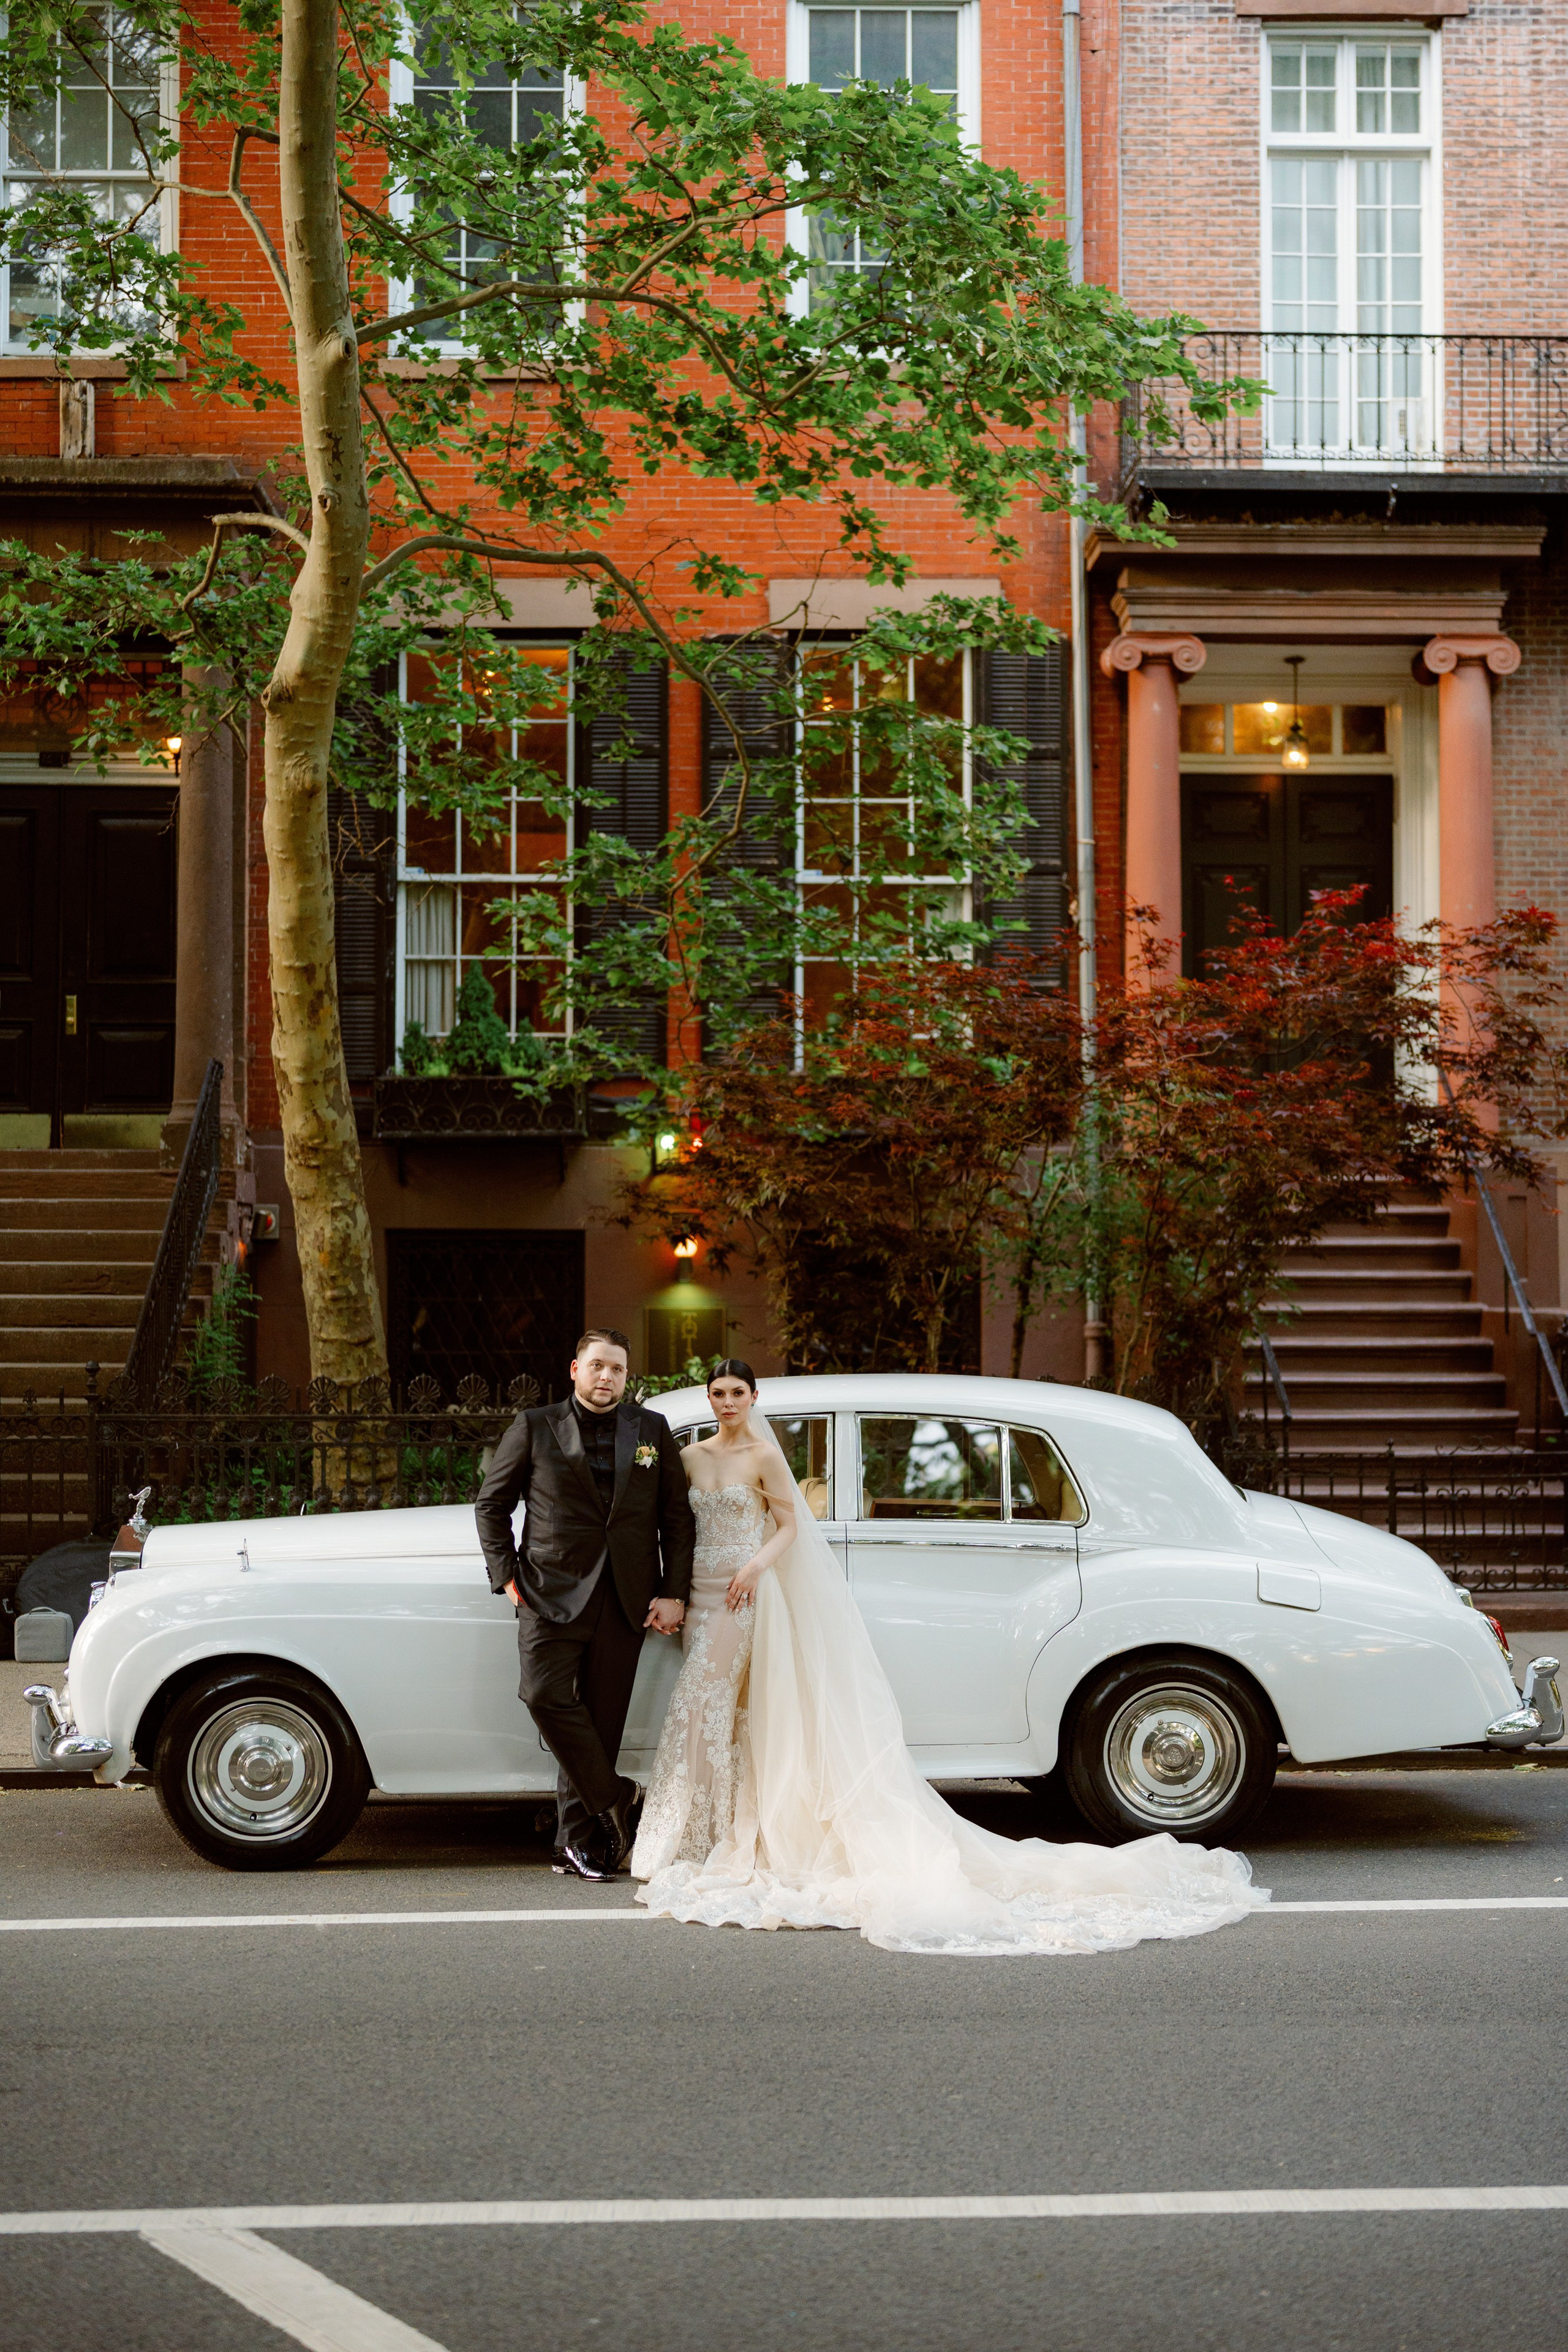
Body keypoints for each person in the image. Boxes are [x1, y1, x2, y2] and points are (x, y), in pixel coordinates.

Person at [631, 1361, 1269, 1957]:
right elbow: (673, 1525)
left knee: (719, 1707)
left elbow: (790, 1525)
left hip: (746, 1589)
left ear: (752, 1399)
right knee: (720, 1711)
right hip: (702, 1594)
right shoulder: (689, 1455)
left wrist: (752, 1567)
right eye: (718, 1394)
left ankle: (710, 1834)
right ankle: (710, 1827)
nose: (726, 1402)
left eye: (736, 1393)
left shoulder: (765, 1455)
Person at [475, 1329, 693, 1882]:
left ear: (626, 1375)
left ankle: (576, 1844)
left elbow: (676, 1518)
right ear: (575, 1369)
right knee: (544, 1695)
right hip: (547, 1592)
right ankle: (616, 1793)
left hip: (626, 1598)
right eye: (597, 1366)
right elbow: (491, 1505)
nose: (607, 1377)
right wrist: (505, 1577)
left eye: (617, 1370)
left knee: (602, 1723)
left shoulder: (650, 1430)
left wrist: (674, 1592)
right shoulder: (534, 1426)